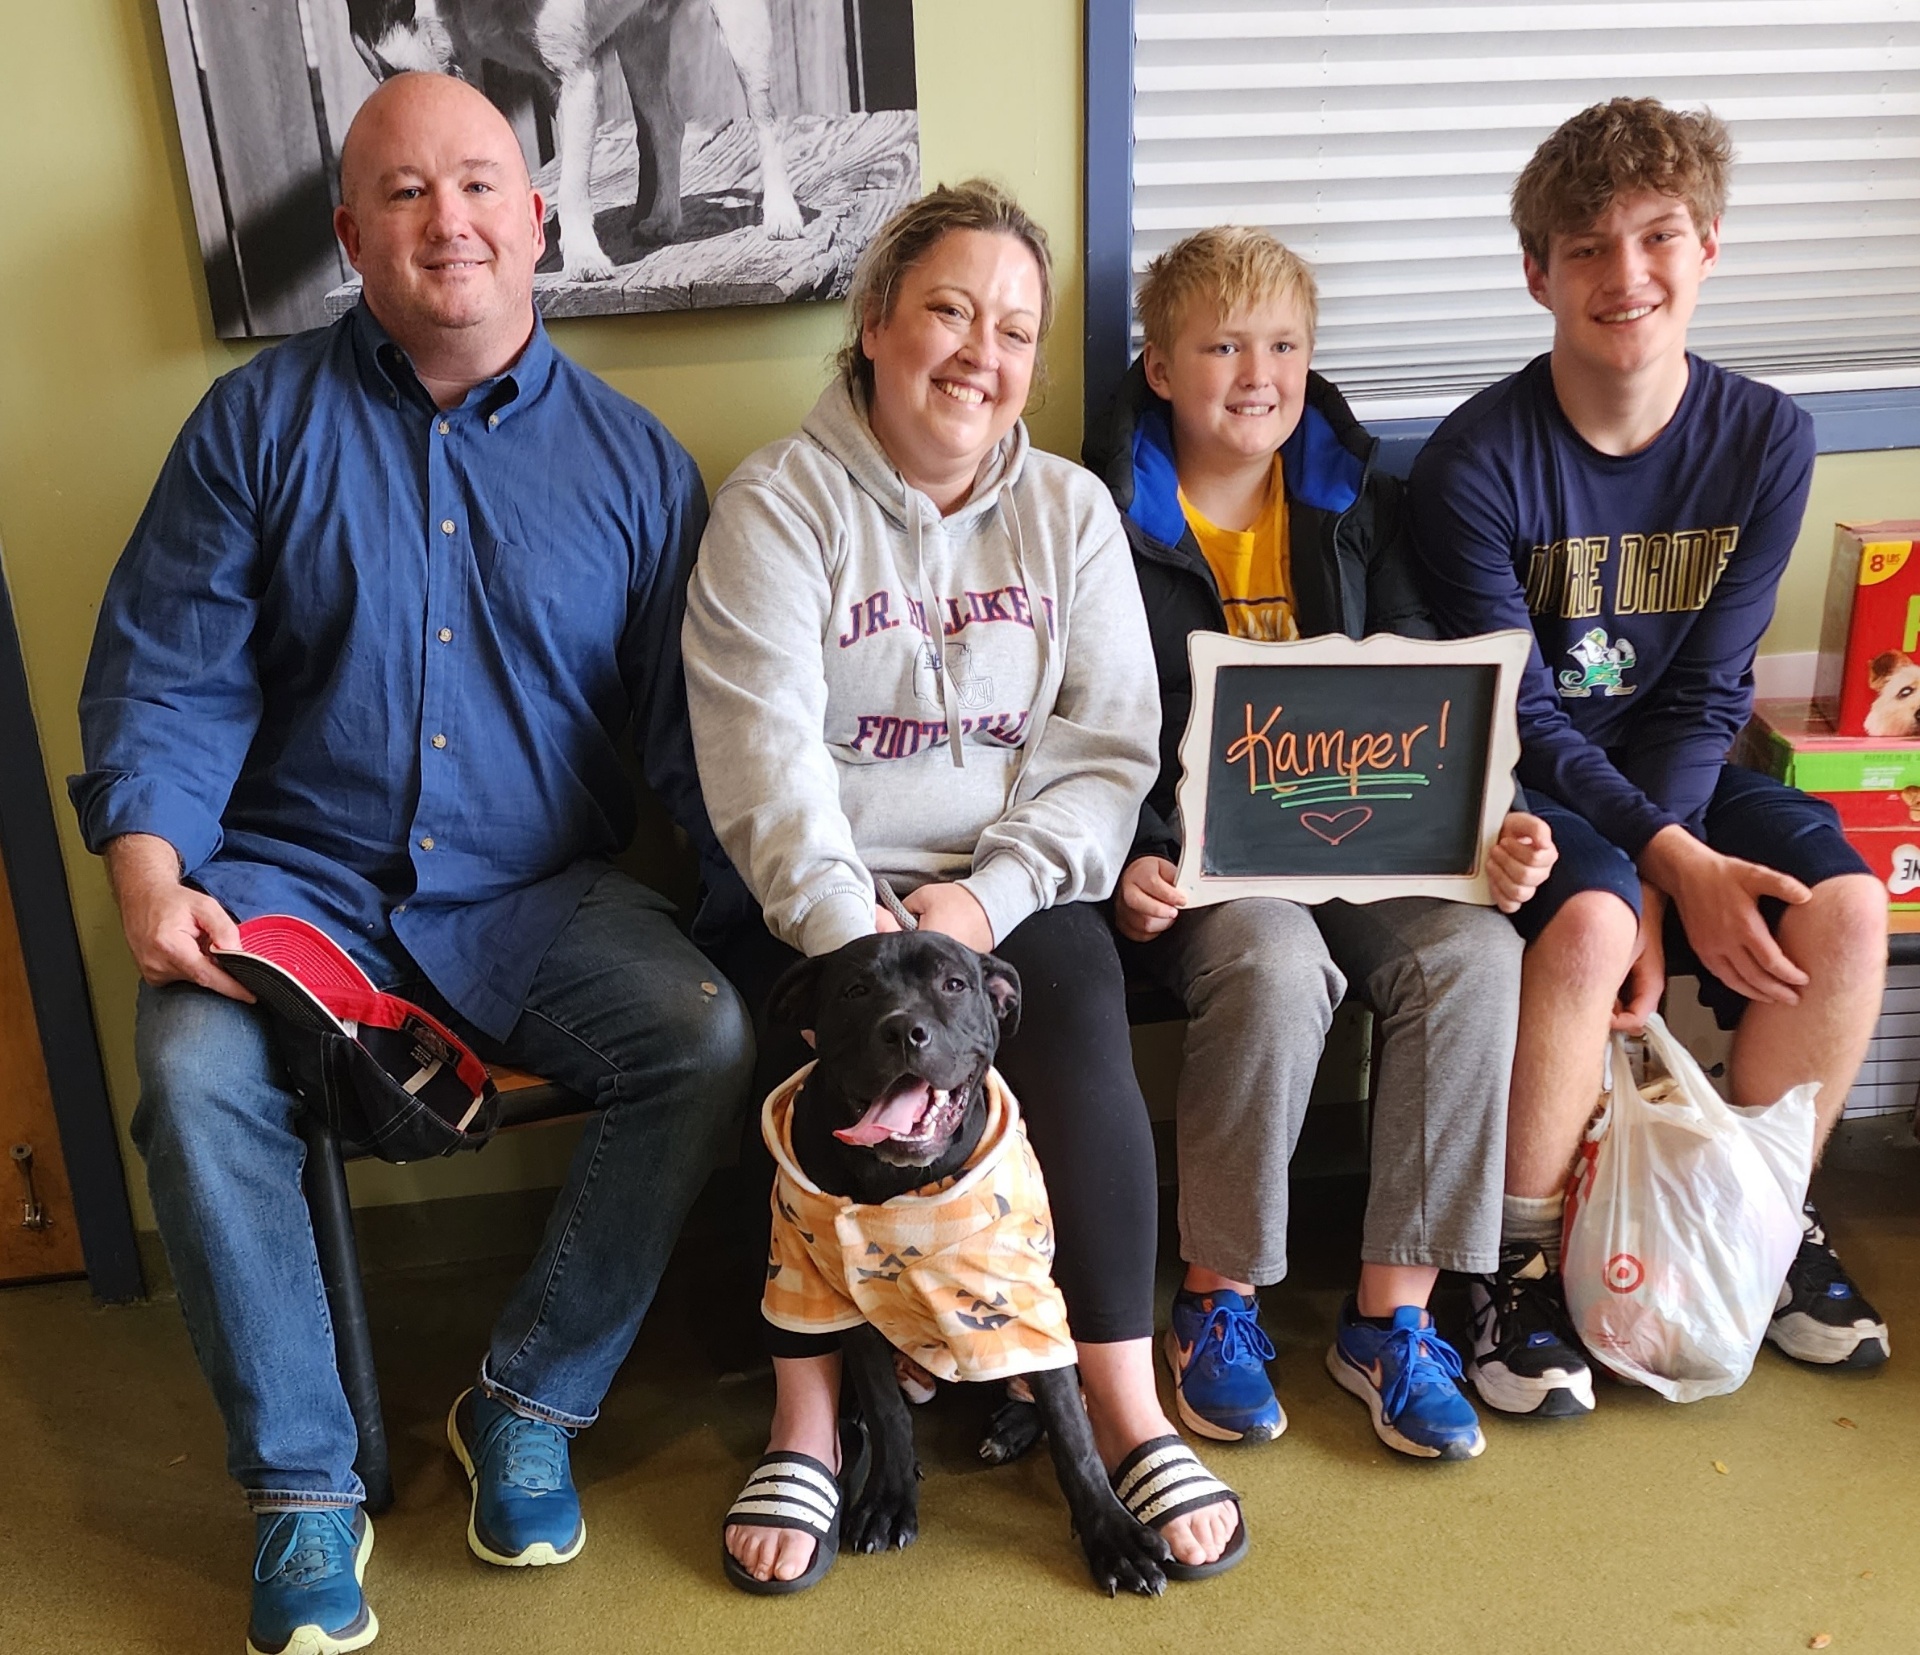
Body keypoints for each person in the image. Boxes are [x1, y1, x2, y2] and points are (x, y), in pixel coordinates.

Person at [70, 72, 753, 1655]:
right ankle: (304, 1489)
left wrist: (782, 928)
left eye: (478, 185)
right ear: (351, 239)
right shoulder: (251, 428)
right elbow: (169, 673)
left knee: (704, 1031)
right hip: (293, 886)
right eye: (403, 192)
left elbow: (693, 746)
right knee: (189, 1066)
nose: (447, 219)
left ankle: (525, 1397)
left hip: (540, 897)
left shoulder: (643, 470)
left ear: (535, 219)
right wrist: (150, 868)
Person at [686, 180, 1246, 1592]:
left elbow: (1108, 747)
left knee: (1074, 1019)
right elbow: (762, 751)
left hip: (1011, 885)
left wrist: (989, 903)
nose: (979, 353)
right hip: (831, 886)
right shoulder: (777, 504)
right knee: (804, 1074)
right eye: (948, 309)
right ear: (876, 323)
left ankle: (1122, 1400)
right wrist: (851, 926)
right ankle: (806, 1418)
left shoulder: (1068, 511)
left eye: (1014, 328)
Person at [1408, 97, 1890, 1421]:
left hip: (1679, 769)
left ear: (1709, 245)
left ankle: (1761, 1213)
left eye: (1658, 236)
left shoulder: (1768, 438)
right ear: (1538, 275)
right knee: (1588, 926)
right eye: (1587, 247)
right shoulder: (1473, 461)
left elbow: (1706, 688)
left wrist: (1677, 867)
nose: (1627, 275)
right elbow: (1526, 716)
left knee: (1847, 910)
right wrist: (1655, 876)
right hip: (1532, 778)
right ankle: (1504, 1270)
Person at [1083, 226, 1555, 1462]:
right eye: (1223, 344)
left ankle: (1390, 1316)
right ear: (1161, 364)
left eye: (1284, 344)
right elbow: (1074, 717)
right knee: (1278, 962)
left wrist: (1484, 833)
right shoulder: (1098, 518)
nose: (1258, 373)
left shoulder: (1363, 505)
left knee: (1473, 953)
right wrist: (1131, 854)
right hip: (1204, 864)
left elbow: (1432, 698)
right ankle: (1216, 1299)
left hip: (1368, 842)